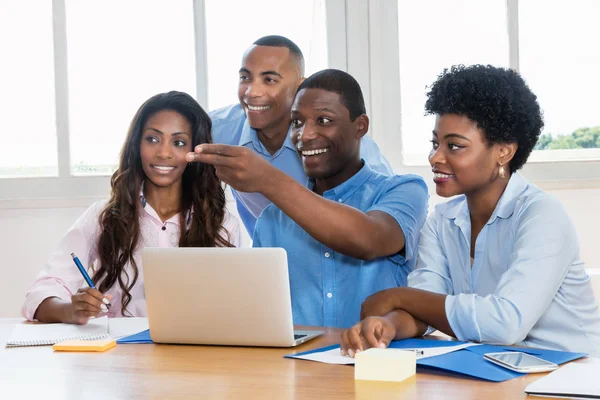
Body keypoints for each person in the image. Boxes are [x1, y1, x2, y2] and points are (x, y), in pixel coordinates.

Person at [340, 65, 600, 356]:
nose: (435, 157)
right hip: (496, 371)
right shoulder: (441, 222)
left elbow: (506, 324)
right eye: (435, 143)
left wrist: (398, 295)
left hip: (572, 377)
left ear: (504, 151)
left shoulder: (542, 216)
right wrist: (388, 325)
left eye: (454, 145)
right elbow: (426, 304)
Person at [187, 69, 428, 328]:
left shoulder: (404, 190)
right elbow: (258, 311)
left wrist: (268, 179)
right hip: (296, 365)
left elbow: (368, 239)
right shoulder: (272, 219)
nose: (305, 134)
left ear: (360, 127)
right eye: (297, 122)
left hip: (377, 363)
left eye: (323, 120)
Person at [22, 91, 240, 324]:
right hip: (119, 353)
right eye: (153, 139)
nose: (164, 153)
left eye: (178, 142)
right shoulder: (104, 215)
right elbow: (40, 294)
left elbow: (232, 306)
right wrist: (70, 310)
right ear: (137, 145)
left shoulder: (220, 223)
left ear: (194, 151)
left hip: (194, 353)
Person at [209, 35, 393, 235]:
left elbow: (385, 214)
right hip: (268, 259)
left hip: (344, 257)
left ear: (300, 87)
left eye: (269, 80)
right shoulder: (218, 130)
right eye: (245, 78)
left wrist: (269, 179)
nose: (252, 92)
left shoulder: (341, 141)